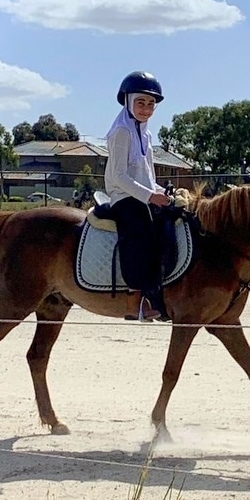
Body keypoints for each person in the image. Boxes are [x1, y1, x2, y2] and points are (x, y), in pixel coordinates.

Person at [104, 71, 171, 321]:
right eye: (140, 103)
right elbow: (120, 176)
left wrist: (160, 193)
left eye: (151, 104)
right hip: (123, 196)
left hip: (143, 194)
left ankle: (161, 291)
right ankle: (134, 302)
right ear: (128, 101)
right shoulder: (121, 131)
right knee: (139, 234)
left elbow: (149, 174)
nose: (146, 109)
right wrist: (150, 197)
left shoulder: (146, 132)